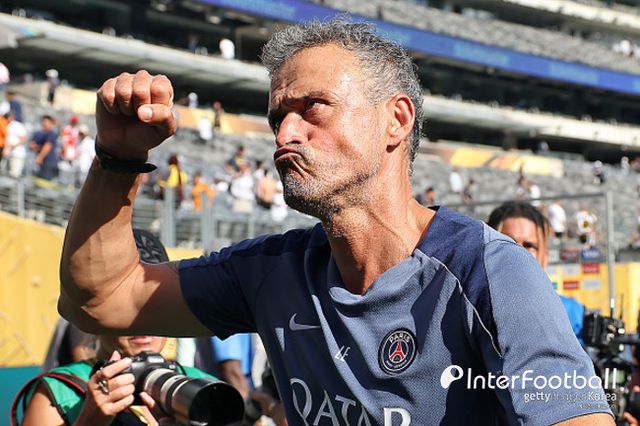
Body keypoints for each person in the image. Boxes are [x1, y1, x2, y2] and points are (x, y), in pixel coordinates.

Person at [59, 19, 613, 425]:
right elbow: (100, 300)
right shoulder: (270, 272)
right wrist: (118, 158)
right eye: (278, 117)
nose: (285, 135)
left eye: (313, 108)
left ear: (396, 120)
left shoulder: (490, 273)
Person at [487, 201, 585, 341]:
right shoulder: (466, 312)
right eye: (507, 243)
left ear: (544, 258)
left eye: (529, 246)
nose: (518, 253)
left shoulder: (571, 314)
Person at [29, 115, 59, 180]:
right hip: (38, 161)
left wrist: (40, 157)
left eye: (46, 122)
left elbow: (48, 146)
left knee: (45, 179)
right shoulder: (38, 133)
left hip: (48, 161)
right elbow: (31, 146)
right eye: (43, 121)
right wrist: (39, 147)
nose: (44, 123)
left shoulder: (51, 133)